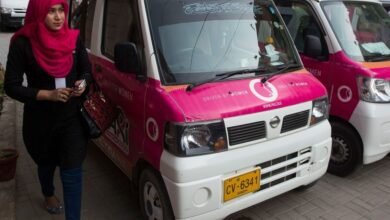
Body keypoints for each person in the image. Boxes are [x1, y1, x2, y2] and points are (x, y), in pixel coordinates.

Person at [4, 0, 92, 219]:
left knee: (72, 172)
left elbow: (86, 71)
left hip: (72, 119)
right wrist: (47, 95)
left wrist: (83, 83)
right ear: (38, 12)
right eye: (51, 11)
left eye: (61, 9)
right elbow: (11, 86)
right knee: (46, 163)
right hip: (40, 121)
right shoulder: (23, 43)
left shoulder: (73, 39)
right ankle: (48, 192)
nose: (58, 16)